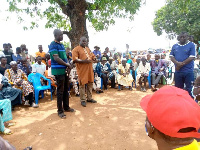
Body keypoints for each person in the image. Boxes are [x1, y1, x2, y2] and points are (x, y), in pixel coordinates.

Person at [49, 29, 74, 119]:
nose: (62, 36)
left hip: (64, 70)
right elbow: (56, 58)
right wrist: (67, 64)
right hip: (58, 71)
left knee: (66, 89)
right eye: (60, 35)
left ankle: (66, 107)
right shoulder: (53, 45)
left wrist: (68, 66)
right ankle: (60, 111)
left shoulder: (62, 45)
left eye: (62, 35)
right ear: (55, 35)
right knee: (60, 91)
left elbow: (64, 57)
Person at [72, 36, 97, 107]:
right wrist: (84, 61)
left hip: (89, 69)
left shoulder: (87, 49)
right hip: (82, 70)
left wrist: (94, 58)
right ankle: (83, 100)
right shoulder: (75, 49)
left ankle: (89, 98)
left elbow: (92, 56)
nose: (84, 42)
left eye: (85, 41)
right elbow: (75, 60)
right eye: (83, 41)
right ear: (80, 41)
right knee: (82, 84)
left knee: (90, 83)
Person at [170, 32, 196, 97]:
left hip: (188, 71)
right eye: (180, 37)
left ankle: (190, 105)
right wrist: (177, 63)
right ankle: (179, 105)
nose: (182, 38)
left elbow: (192, 57)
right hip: (178, 72)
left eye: (184, 37)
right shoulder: (174, 45)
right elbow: (171, 56)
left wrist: (180, 65)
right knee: (178, 89)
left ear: (187, 37)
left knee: (189, 89)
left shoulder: (191, 45)